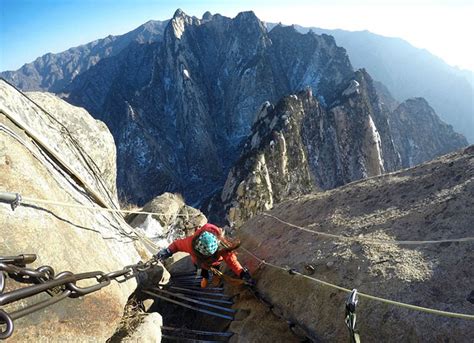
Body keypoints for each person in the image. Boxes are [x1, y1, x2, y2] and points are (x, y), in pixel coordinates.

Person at [155, 223, 253, 288]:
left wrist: (241, 273)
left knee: (215, 267)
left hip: (214, 261)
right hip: (199, 262)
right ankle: (205, 278)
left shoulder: (220, 245)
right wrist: (168, 251)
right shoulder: (190, 244)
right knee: (202, 269)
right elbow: (177, 245)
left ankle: (215, 276)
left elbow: (231, 260)